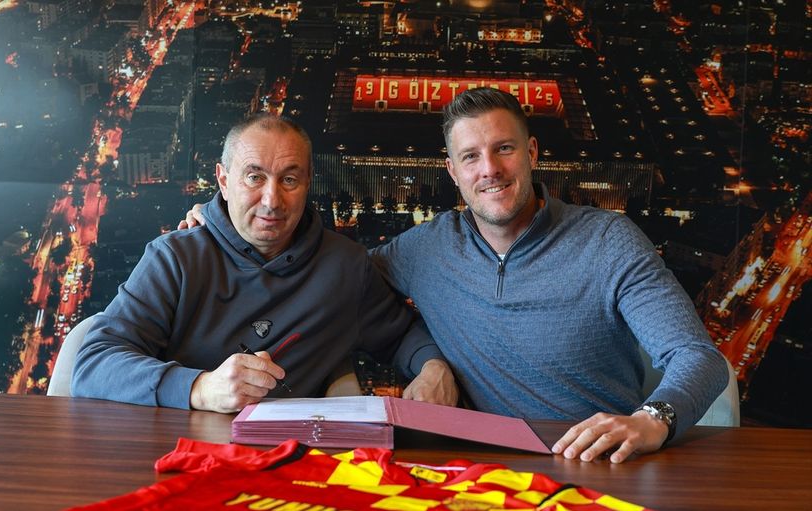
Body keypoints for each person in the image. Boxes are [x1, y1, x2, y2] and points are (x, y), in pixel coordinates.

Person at [180, 88, 728, 463]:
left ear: (532, 153)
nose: (489, 169)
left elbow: (697, 357)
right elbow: (329, 274)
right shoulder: (424, 249)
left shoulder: (609, 241)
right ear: (452, 172)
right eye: (470, 157)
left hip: (595, 460)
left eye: (504, 149)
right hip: (475, 466)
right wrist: (218, 226)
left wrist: (652, 420)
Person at [71, 114, 457, 413]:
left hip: (285, 459)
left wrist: (434, 368)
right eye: (254, 177)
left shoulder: (345, 267)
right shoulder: (175, 257)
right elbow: (94, 363)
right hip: (171, 449)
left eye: (289, 180)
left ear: (308, 183)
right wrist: (199, 388)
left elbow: (399, 337)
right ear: (223, 181)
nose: (272, 200)